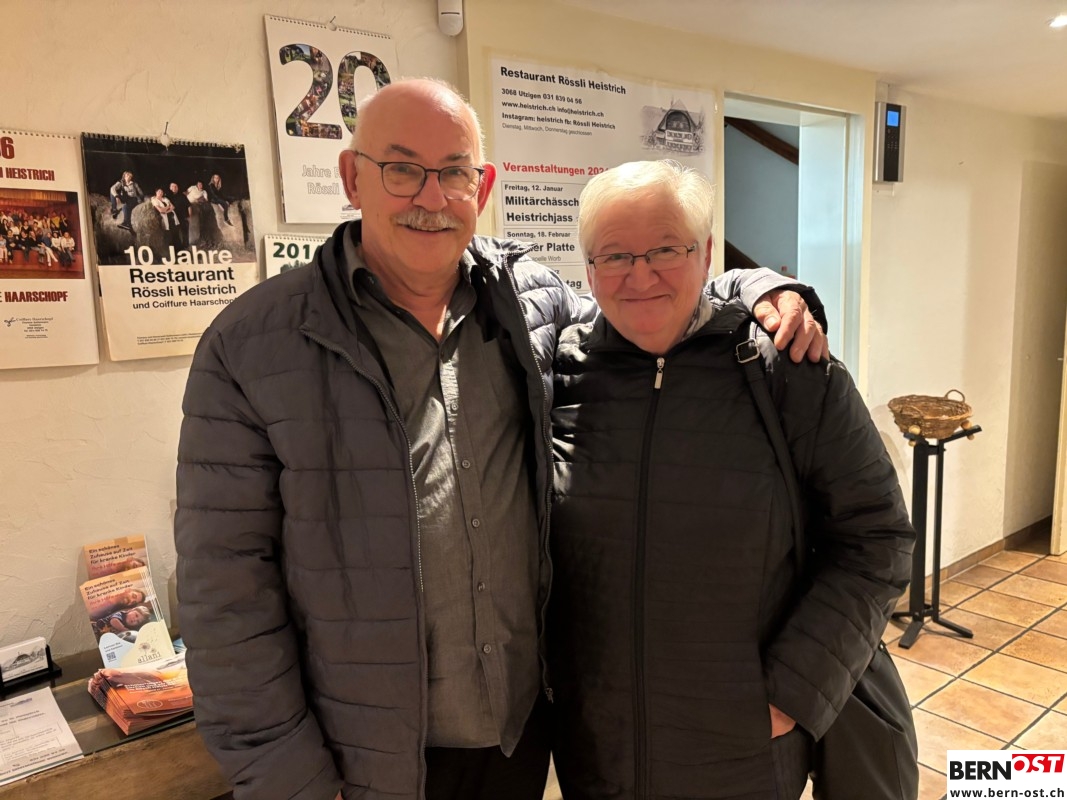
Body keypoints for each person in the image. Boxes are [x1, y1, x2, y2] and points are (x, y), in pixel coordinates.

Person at [174, 79, 826, 800]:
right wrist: (288, 779)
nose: (431, 196)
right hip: (358, 759)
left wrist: (759, 289)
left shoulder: (532, 302)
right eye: (402, 168)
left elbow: (646, 296)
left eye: (454, 171)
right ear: (352, 178)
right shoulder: (251, 347)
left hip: (518, 740)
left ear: (481, 187)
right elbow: (226, 594)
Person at [546, 160, 915, 800]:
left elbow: (877, 540)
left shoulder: (788, 370)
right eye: (616, 255)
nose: (641, 275)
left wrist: (794, 692)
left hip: (743, 750)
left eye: (667, 249)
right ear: (589, 268)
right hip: (596, 754)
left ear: (707, 252)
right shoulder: (558, 373)